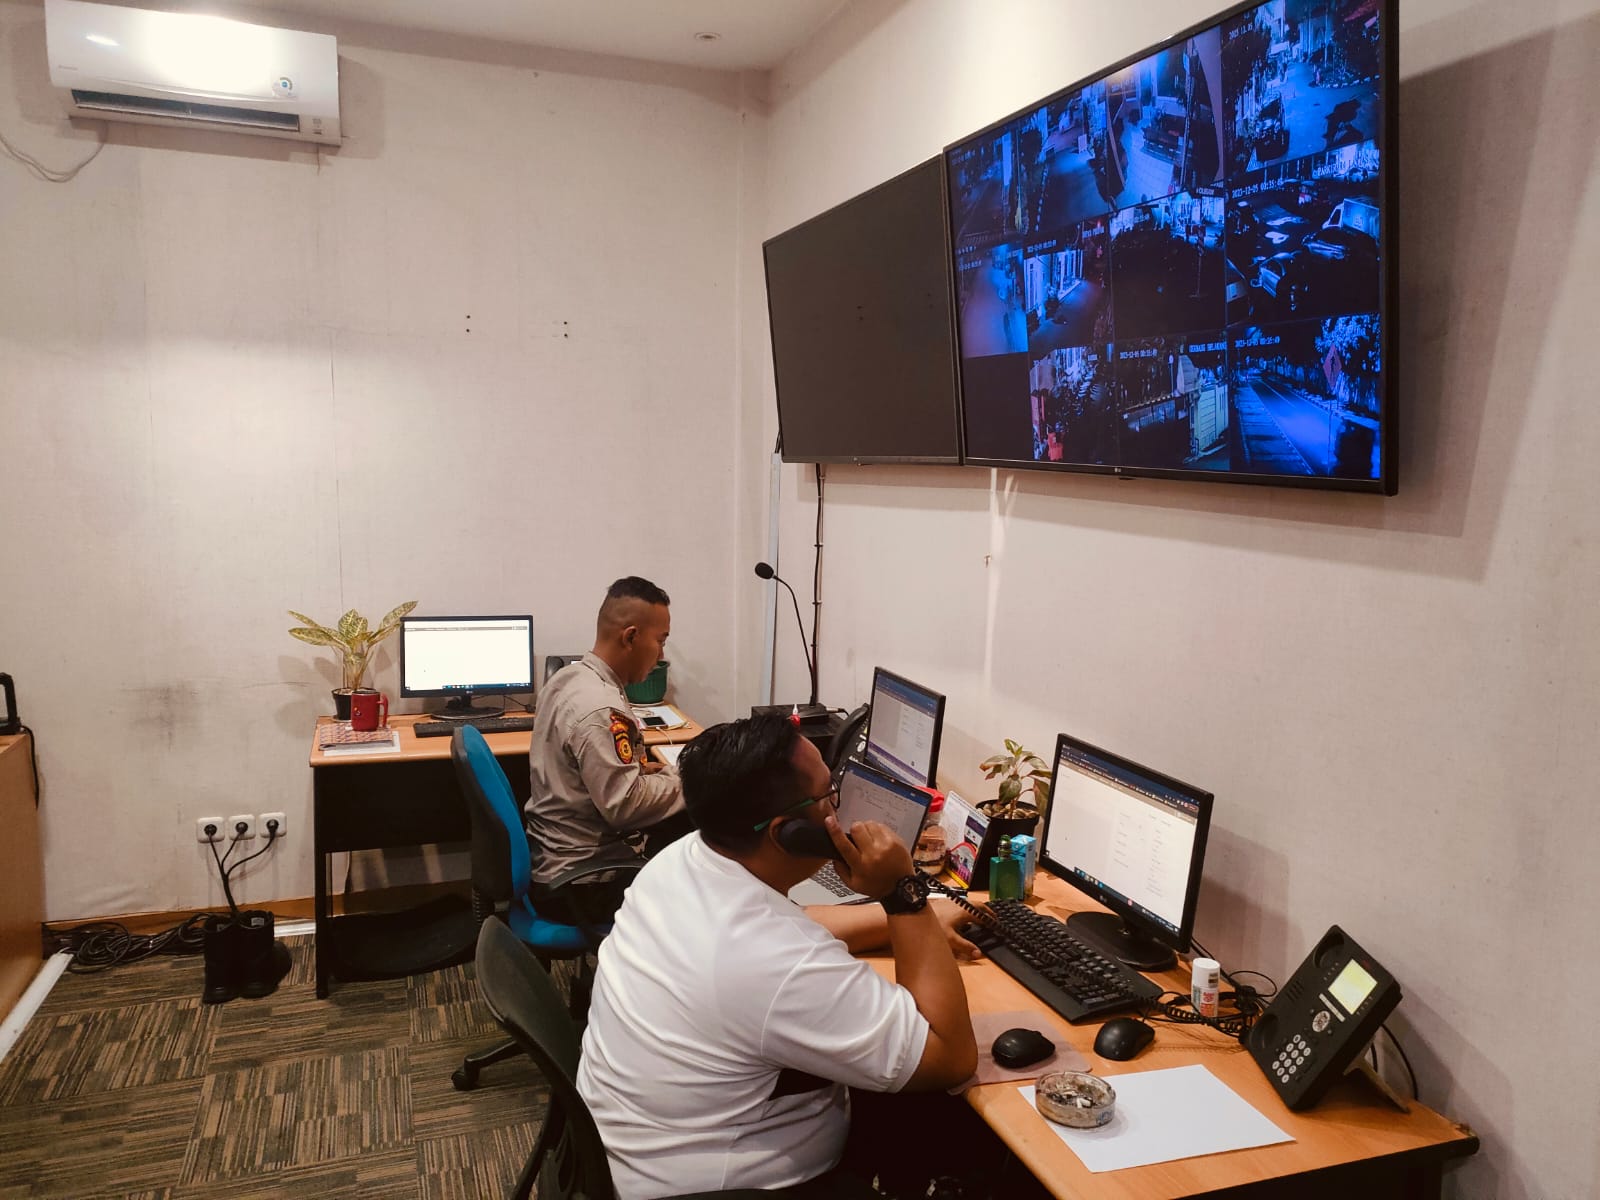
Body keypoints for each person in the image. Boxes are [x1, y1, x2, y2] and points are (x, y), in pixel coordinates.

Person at [577, 714, 985, 1199]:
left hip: (634, 1146)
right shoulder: (772, 962)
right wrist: (903, 897)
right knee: (947, 1120)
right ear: (786, 832)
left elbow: (792, 929)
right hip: (718, 1186)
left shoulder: (683, 861)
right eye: (829, 796)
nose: (840, 811)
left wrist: (915, 925)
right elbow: (950, 1057)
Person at [524, 576, 687, 924]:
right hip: (585, 881)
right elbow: (624, 807)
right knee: (700, 883)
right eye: (660, 641)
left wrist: (648, 773)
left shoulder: (568, 679)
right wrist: (688, 778)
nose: (661, 655)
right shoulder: (600, 709)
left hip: (558, 856)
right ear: (630, 637)